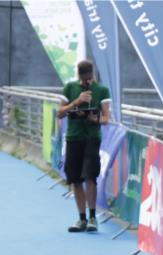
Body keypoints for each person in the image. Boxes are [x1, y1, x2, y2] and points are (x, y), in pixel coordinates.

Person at [58, 60, 111, 232]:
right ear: (79, 75)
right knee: (75, 179)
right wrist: (76, 102)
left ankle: (93, 218)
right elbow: (59, 113)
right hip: (73, 138)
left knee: (90, 177)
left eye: (88, 78)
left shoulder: (102, 90)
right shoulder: (70, 87)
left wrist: (92, 118)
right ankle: (81, 218)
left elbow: (106, 119)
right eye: (83, 79)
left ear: (92, 75)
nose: (86, 82)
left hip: (92, 138)